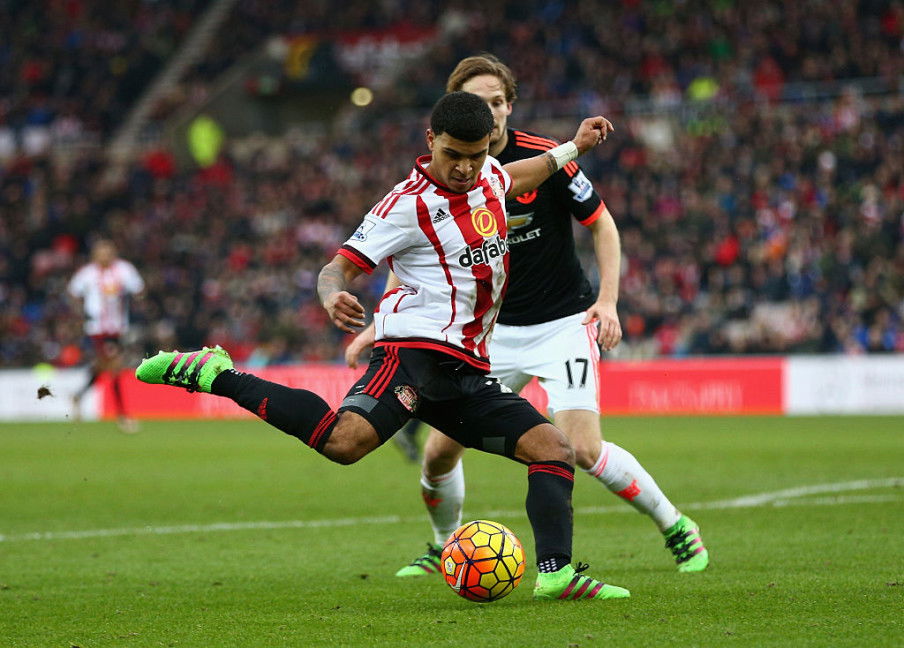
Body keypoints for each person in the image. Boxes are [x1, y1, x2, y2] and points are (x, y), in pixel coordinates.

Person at [136, 91, 629, 601]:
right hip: (411, 356)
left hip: (466, 369)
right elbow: (338, 266)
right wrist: (333, 297)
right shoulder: (404, 205)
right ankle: (216, 375)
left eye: (476, 155)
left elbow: (523, 174)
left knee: (553, 450)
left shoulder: (490, 177)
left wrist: (573, 147)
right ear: (430, 140)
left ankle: (555, 574)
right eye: (453, 155)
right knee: (344, 444)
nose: (464, 168)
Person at [346, 55, 708, 577]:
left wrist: (606, 301)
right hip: (483, 339)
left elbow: (603, 226)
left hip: (560, 324)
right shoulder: (446, 174)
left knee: (582, 448)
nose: (490, 114)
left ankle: (675, 525)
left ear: (510, 105)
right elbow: (418, 261)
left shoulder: (545, 157)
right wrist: (379, 326)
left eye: (497, 102)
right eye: (478, 104)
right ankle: (445, 549)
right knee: (438, 456)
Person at [68, 238, 145, 432]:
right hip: (97, 329)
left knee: (103, 367)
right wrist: (81, 313)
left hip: (117, 328)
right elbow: (73, 292)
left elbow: (139, 289)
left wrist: (137, 299)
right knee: (116, 367)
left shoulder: (124, 269)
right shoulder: (88, 273)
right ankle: (123, 416)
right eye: (101, 252)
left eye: (108, 251)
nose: (105, 255)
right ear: (95, 255)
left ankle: (78, 395)